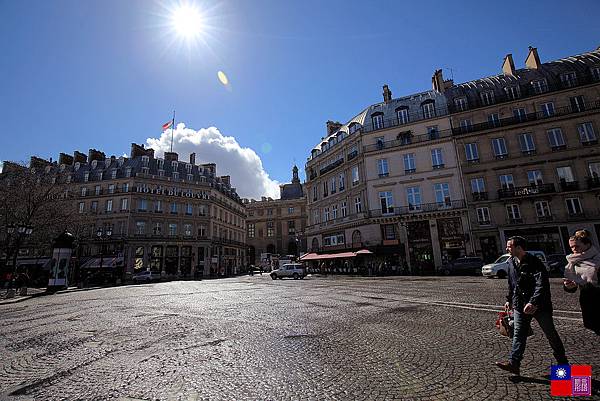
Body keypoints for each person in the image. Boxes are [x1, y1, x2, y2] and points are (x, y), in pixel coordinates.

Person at [495, 236, 568, 376]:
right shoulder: (510, 262)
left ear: (519, 248)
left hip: (539, 306)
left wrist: (533, 302)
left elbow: (542, 284)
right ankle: (514, 364)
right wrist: (509, 300)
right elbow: (512, 284)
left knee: (551, 334)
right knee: (518, 333)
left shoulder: (534, 262)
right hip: (520, 304)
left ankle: (563, 365)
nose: (506, 248)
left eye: (509, 246)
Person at [563, 230, 600, 335]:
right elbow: (572, 287)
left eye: (577, 246)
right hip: (587, 301)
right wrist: (569, 286)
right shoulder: (572, 262)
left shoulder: (598, 259)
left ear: (587, 244)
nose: (574, 249)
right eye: (572, 247)